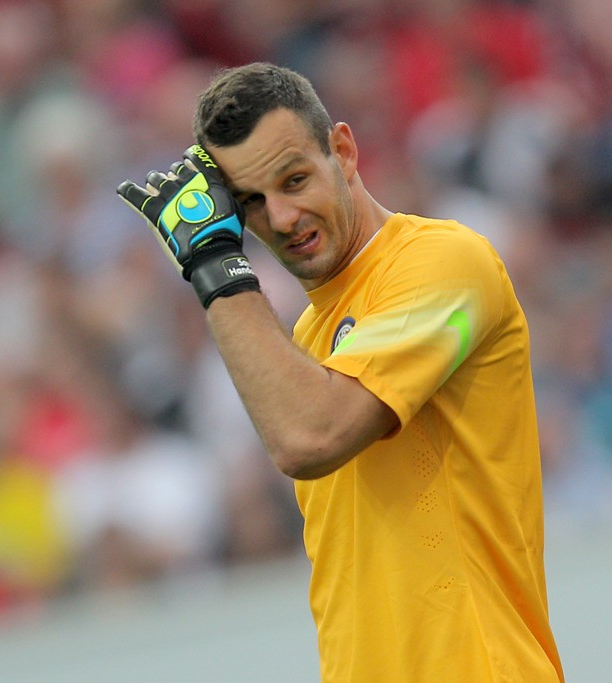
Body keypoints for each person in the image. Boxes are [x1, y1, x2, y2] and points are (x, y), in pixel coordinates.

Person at [117, 62, 563, 682]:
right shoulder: (304, 340)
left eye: (294, 180)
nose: (281, 217)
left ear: (344, 152)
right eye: (251, 201)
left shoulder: (445, 263)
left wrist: (215, 266)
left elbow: (311, 436)